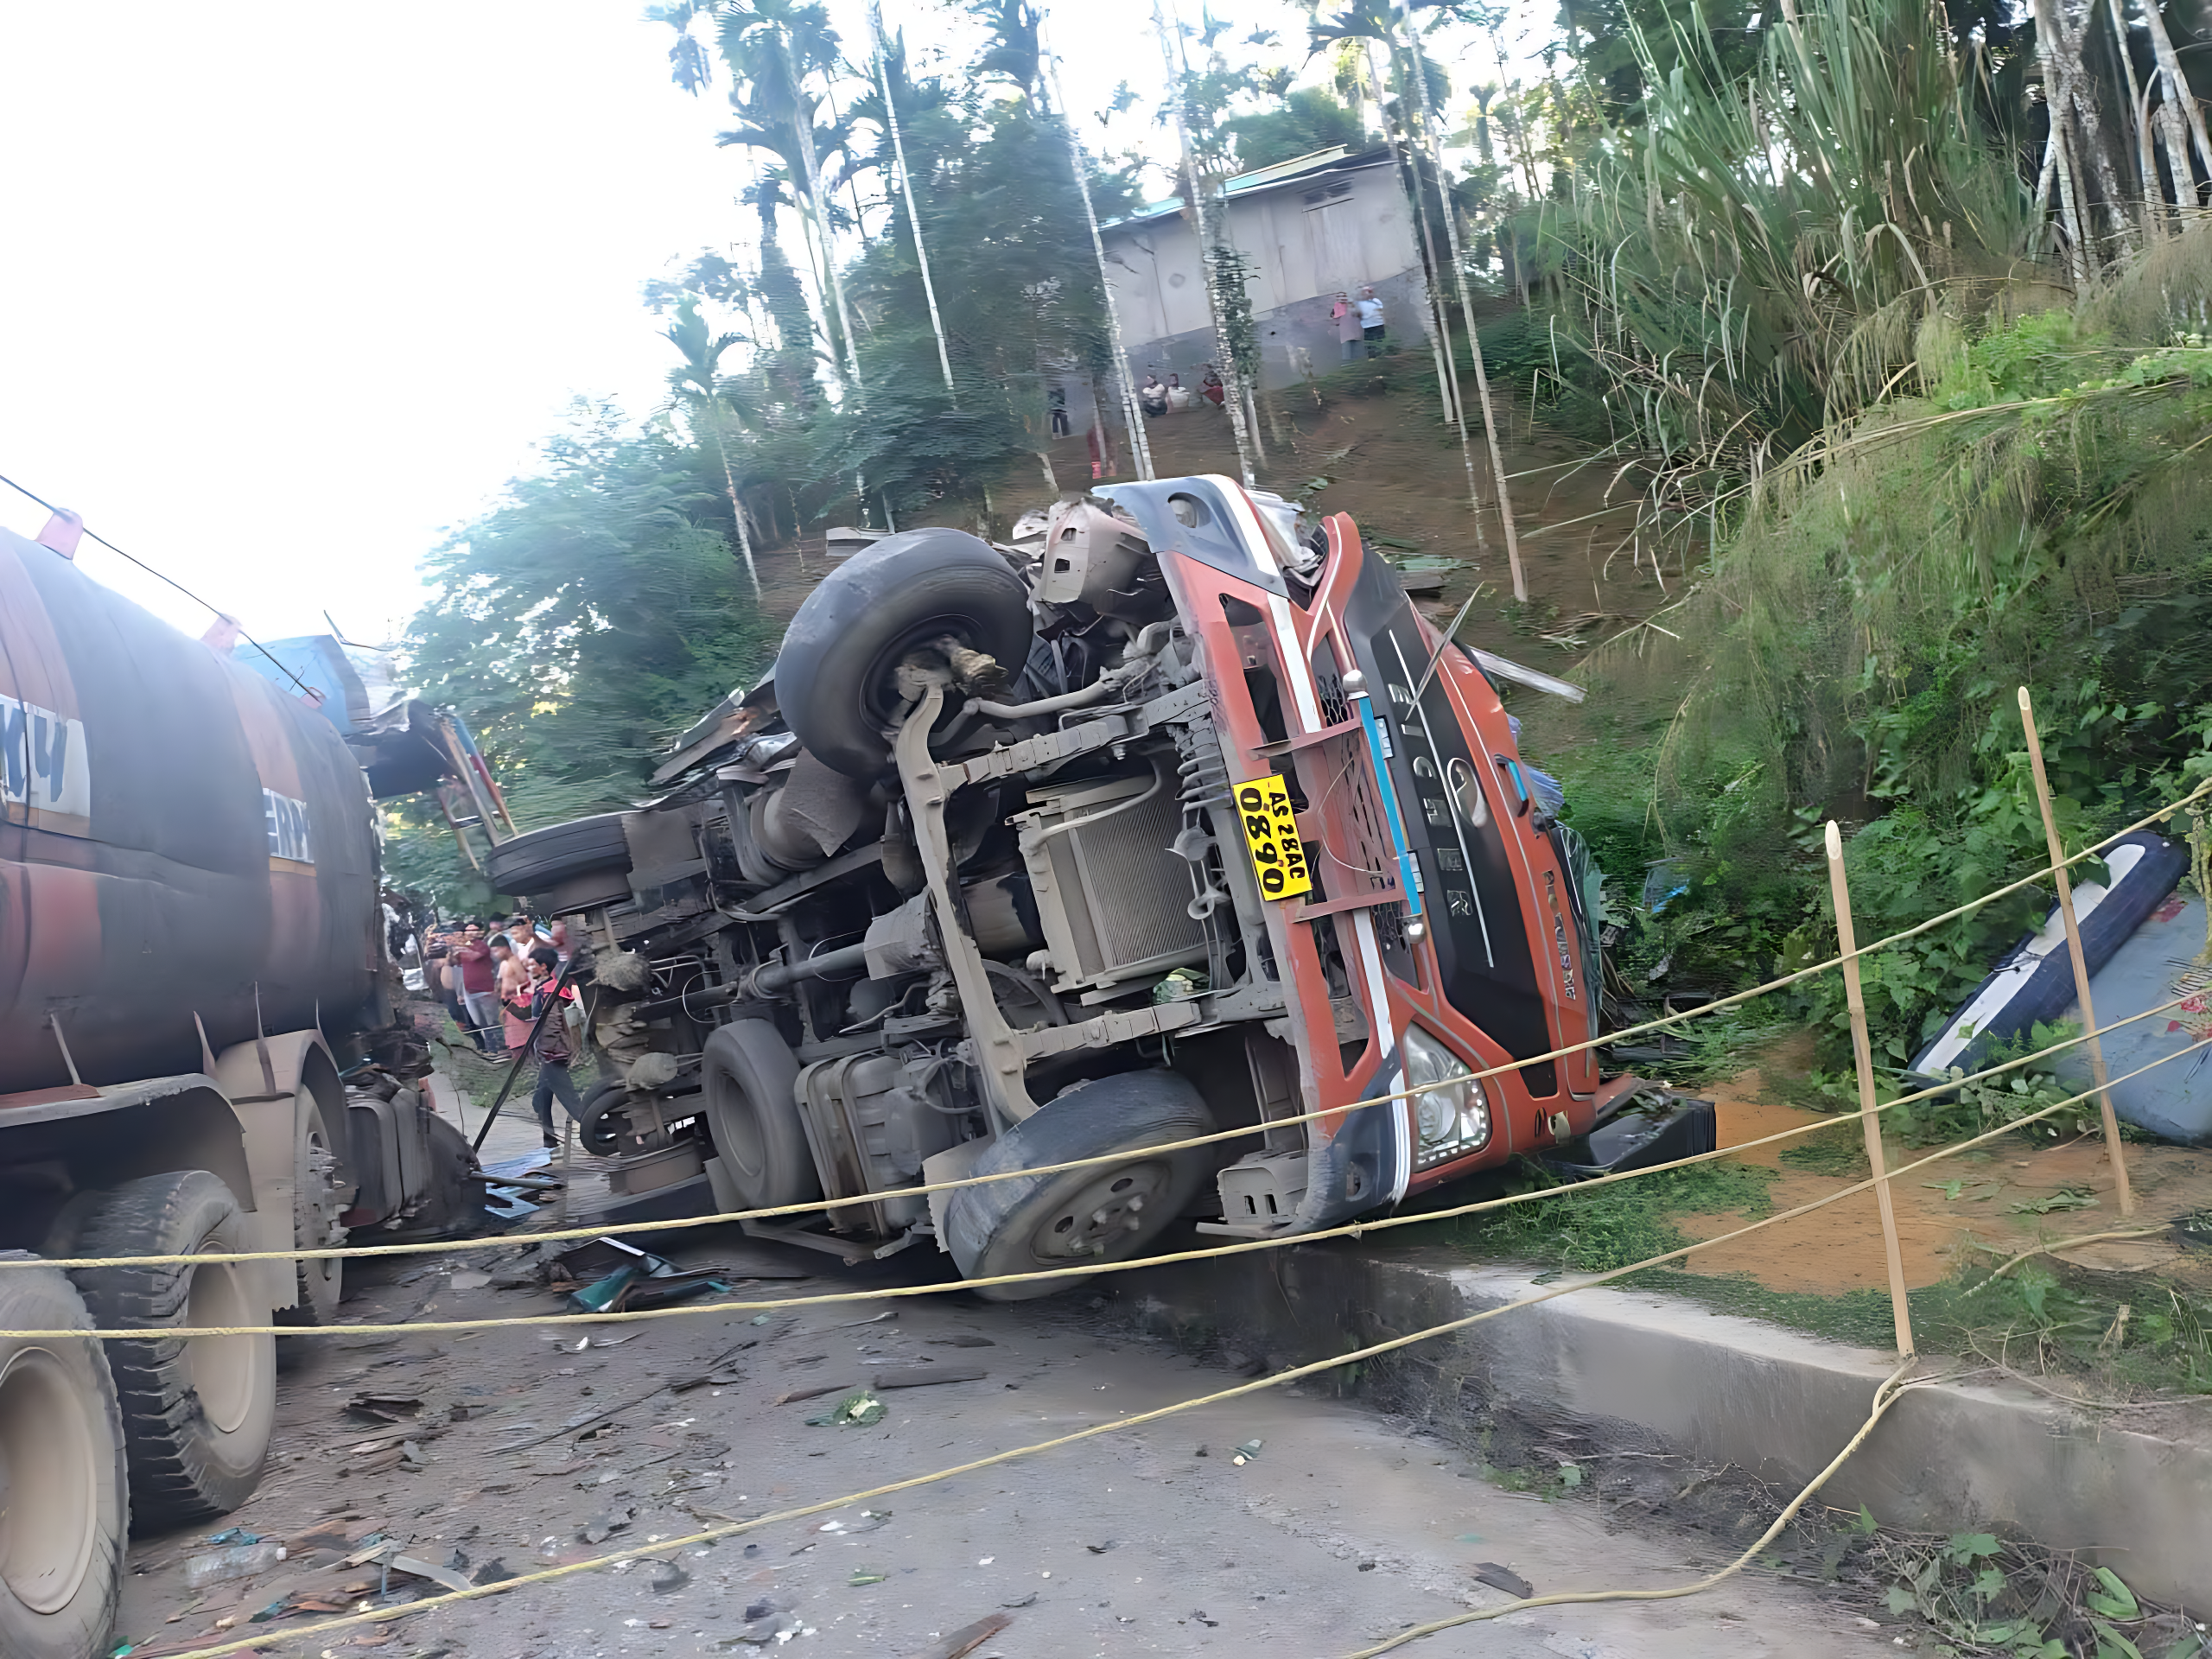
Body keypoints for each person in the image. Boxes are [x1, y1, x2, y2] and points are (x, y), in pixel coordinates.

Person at [509, 946, 582, 1150]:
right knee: (541, 1100)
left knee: (572, 1103)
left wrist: (545, 1052)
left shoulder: (550, 991)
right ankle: (548, 1138)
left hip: (552, 1054)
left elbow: (552, 1025)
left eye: (531, 964)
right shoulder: (543, 989)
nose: (527, 968)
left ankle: (603, 1129)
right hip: (548, 1054)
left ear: (543, 967)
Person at [452, 923, 499, 1053]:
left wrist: (460, 948)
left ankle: (500, 1049)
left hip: (485, 990)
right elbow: (456, 963)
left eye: (474, 930)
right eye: (468, 931)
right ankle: (491, 1049)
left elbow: (473, 957)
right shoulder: (466, 946)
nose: (470, 933)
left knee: (492, 1022)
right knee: (480, 1023)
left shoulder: (482, 945)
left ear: (480, 932)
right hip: (470, 991)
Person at [1356, 286, 1387, 357]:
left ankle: (1382, 355)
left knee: (1380, 340)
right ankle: (1372, 357)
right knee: (1370, 342)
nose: (1368, 293)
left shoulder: (1376, 301)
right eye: (1366, 292)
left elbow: (1381, 311)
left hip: (1378, 324)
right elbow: (1357, 313)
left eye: (1369, 292)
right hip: (1367, 326)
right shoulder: (1358, 303)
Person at [1332, 290, 1361, 361]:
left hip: (1349, 334)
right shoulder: (1351, 305)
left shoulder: (1338, 308)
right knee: (1352, 355)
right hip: (1352, 333)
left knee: (1349, 355)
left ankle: (1350, 365)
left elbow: (1335, 321)